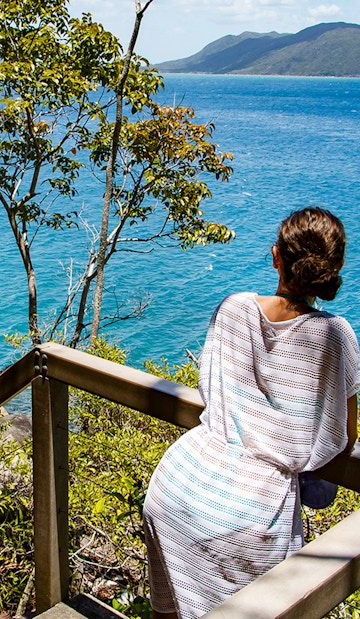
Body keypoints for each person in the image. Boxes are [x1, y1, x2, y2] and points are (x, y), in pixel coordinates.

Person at [143, 207, 360, 619]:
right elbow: (343, 437)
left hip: (176, 486)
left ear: (276, 256)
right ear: (334, 267)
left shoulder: (234, 307)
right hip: (250, 515)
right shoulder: (335, 334)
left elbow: (211, 388)